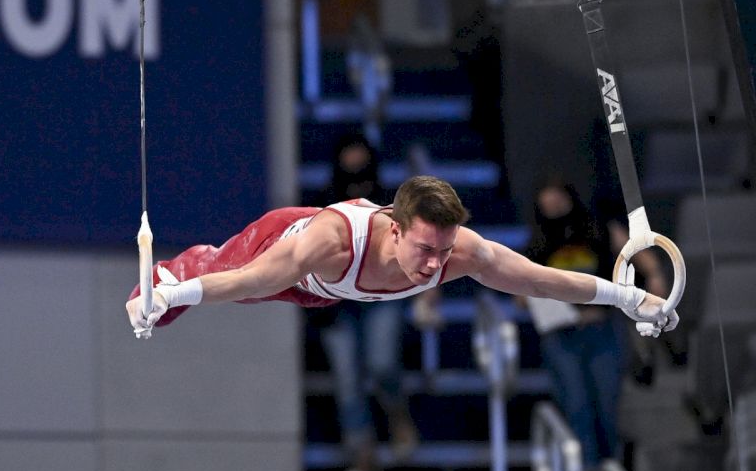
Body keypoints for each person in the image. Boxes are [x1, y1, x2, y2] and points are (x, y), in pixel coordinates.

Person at [125, 175, 677, 341]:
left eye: (443, 250)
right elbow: (250, 280)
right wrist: (174, 295)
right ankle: (160, 283)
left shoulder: (461, 251)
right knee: (217, 270)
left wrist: (629, 296)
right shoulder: (333, 240)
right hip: (287, 252)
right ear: (393, 228)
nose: (437, 265)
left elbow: (541, 281)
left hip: (326, 293)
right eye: (424, 249)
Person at [522, 178, 638, 471]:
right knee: (576, 403)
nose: (554, 204)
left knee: (608, 403)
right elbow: (518, 294)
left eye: (558, 195)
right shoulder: (537, 244)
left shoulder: (600, 229)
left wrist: (655, 276)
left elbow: (633, 253)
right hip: (563, 334)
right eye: (547, 197)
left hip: (601, 327)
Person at [310, 136, 417, 471]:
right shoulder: (322, 206)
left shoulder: (391, 203)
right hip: (337, 302)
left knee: (382, 362)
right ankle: (363, 453)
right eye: (348, 158)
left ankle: (397, 412)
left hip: (381, 293)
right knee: (348, 380)